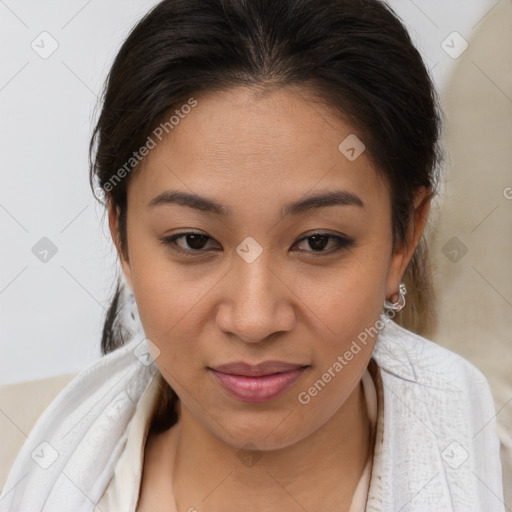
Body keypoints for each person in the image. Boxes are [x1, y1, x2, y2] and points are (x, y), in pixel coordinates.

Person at [0, 0, 505, 510]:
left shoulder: (492, 483)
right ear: (122, 239)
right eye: (195, 241)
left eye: (318, 241)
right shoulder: (16, 467)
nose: (255, 319)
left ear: (404, 239)